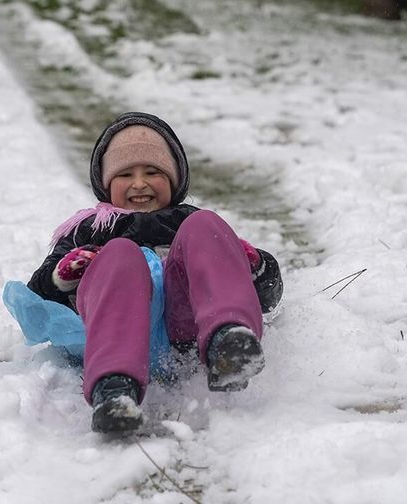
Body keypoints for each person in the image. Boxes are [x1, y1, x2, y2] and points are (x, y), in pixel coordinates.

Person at [26, 112, 283, 433]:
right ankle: (114, 390)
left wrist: (254, 265)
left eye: (153, 171)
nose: (139, 183)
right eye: (125, 174)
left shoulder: (193, 223)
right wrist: (62, 277)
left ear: (175, 180)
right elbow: (37, 299)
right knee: (119, 254)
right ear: (105, 184)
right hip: (117, 330)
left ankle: (228, 343)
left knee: (207, 227)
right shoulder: (89, 230)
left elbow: (268, 295)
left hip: (187, 331)